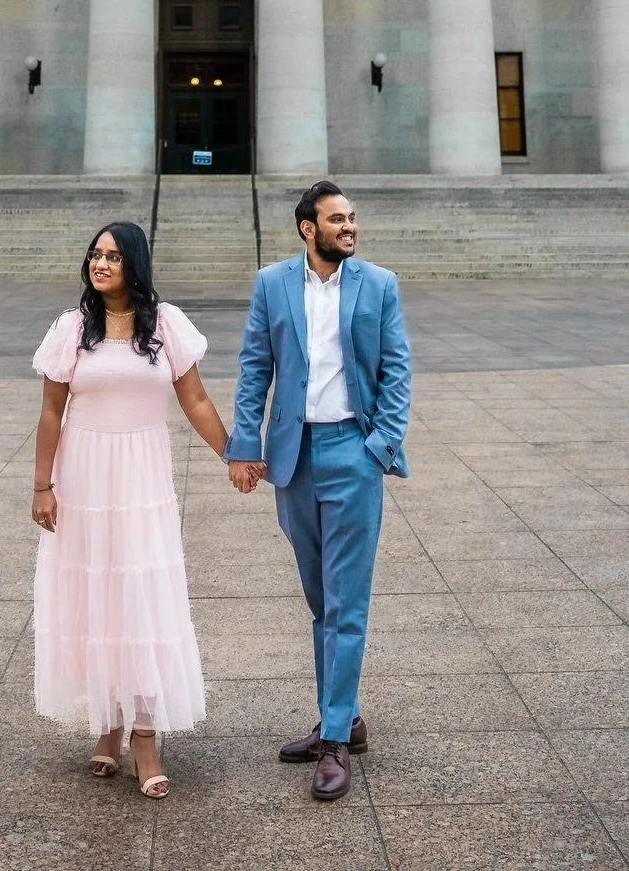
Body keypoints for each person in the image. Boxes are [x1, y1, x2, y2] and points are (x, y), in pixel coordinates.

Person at [31, 219, 256, 797]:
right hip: (84, 479)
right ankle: (107, 725)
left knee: (142, 598)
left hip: (141, 480)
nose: (100, 264)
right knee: (98, 597)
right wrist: (41, 486)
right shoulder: (72, 328)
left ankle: (146, 737)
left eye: (113, 256)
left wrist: (234, 453)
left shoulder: (166, 324)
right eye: (95, 254)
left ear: (135, 263)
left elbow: (195, 399)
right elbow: (51, 411)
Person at [224, 180, 412, 803]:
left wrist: (379, 446)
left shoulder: (379, 285)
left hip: (353, 451)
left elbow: (397, 369)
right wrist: (245, 444)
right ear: (309, 228)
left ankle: (333, 740)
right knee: (319, 596)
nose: (349, 227)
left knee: (346, 602)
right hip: (294, 457)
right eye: (337, 219)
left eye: (352, 218)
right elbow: (254, 367)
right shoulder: (272, 283)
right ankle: (346, 716)